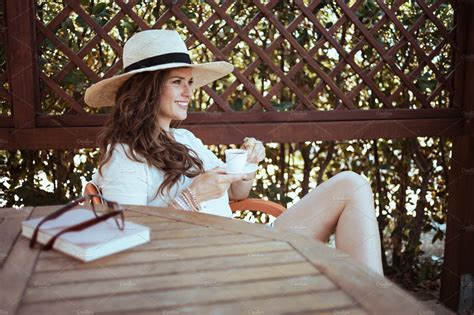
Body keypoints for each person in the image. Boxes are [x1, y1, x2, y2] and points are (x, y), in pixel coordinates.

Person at [85, 30, 383, 275]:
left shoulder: (184, 139)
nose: (189, 92)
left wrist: (249, 164)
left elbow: (237, 193)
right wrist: (192, 197)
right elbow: (129, 242)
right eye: (177, 82)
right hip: (214, 269)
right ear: (146, 90)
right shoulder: (124, 155)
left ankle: (375, 300)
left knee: (351, 184)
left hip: (244, 245)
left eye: (190, 82)